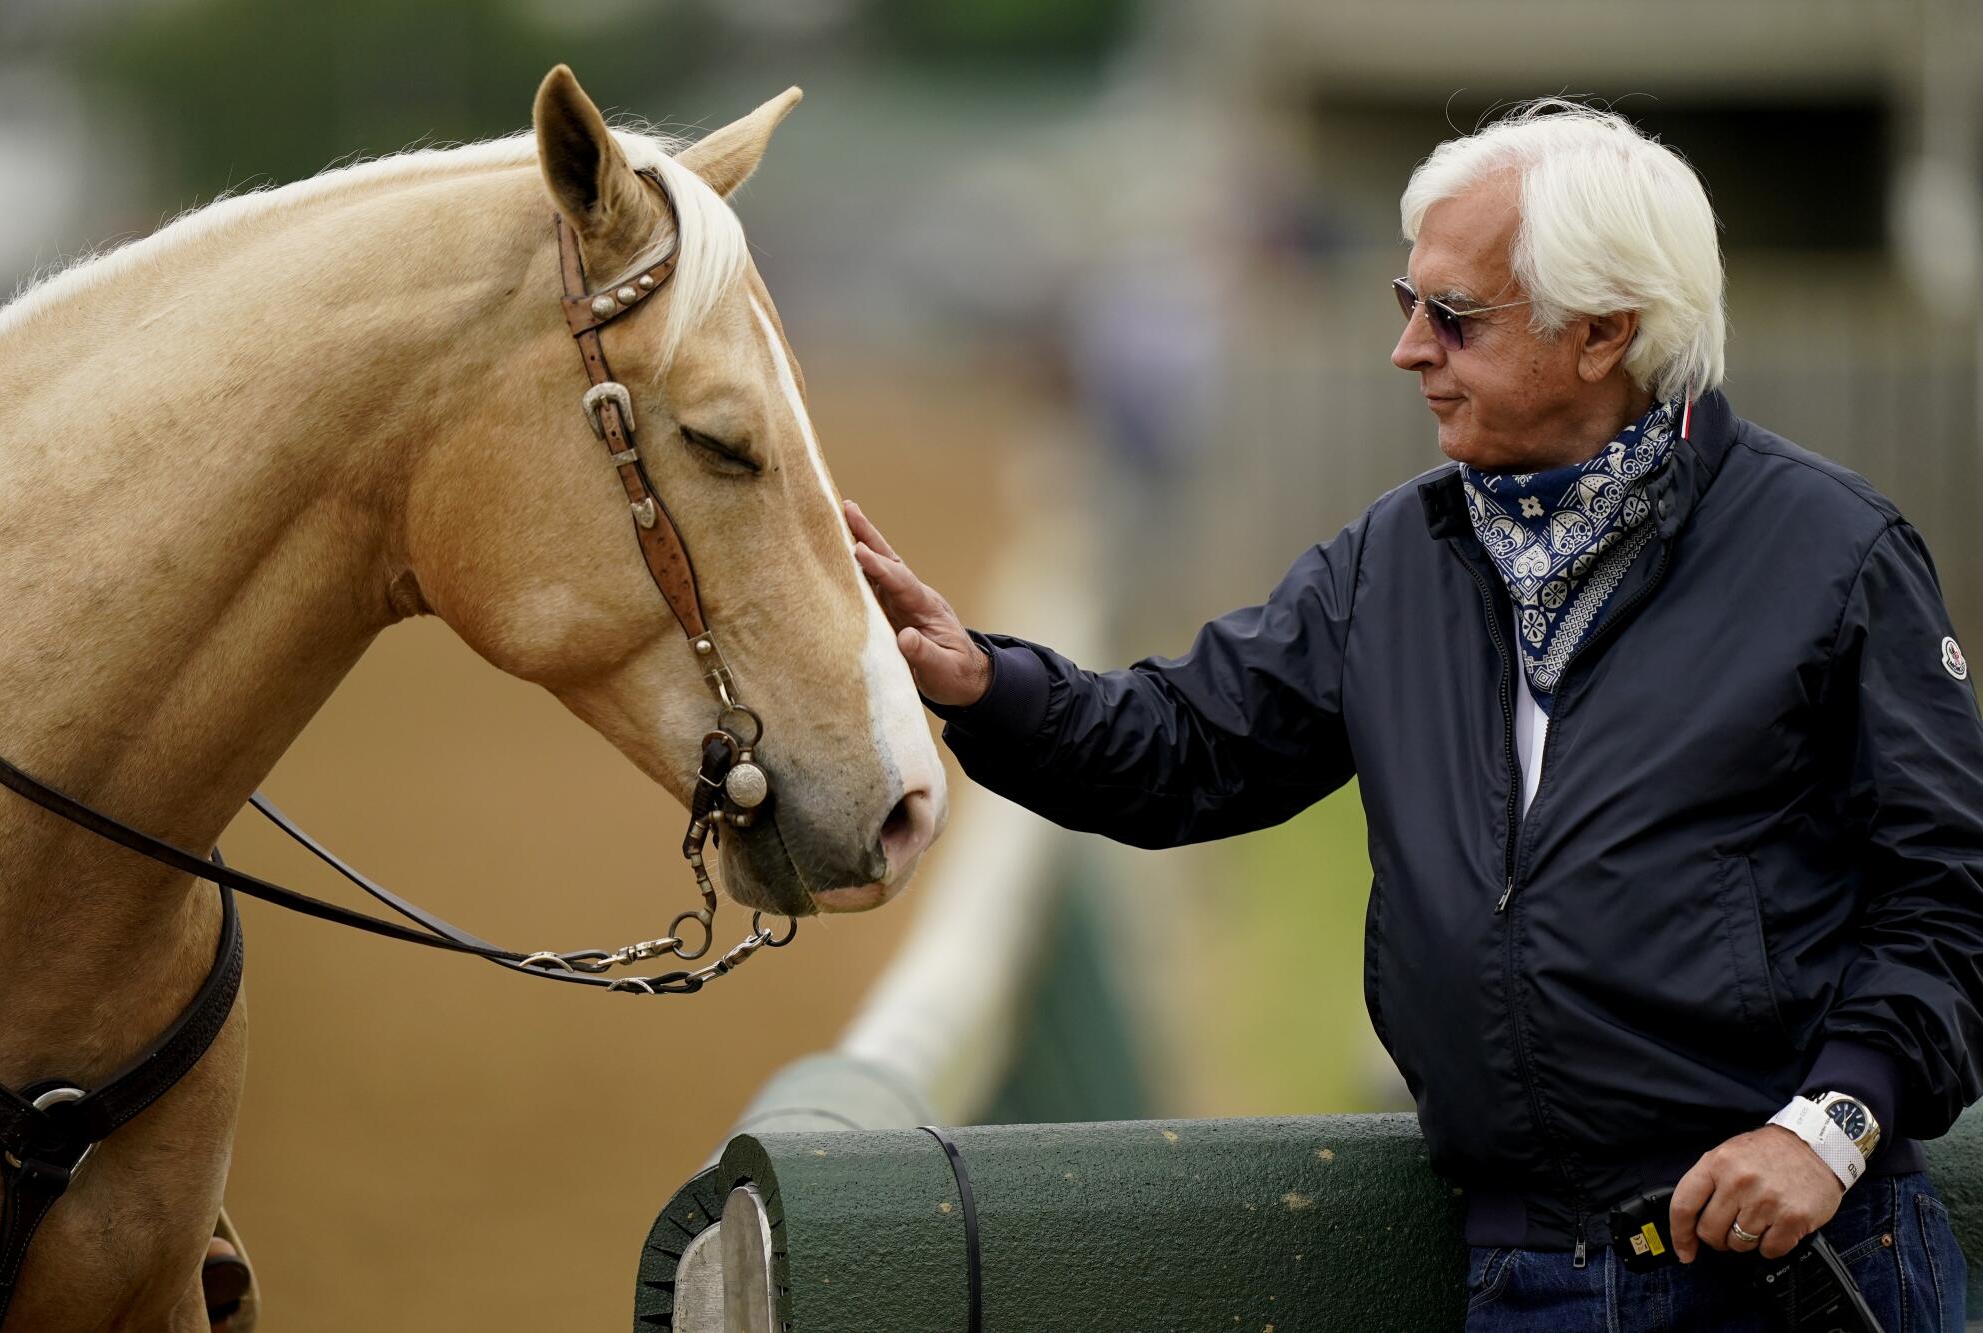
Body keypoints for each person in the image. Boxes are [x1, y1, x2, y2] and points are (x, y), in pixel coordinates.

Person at [845, 101, 1983, 1329]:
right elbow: (1183, 748)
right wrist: (979, 679)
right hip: (1524, 1271)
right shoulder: (1398, 555)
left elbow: (1949, 891)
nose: (1406, 349)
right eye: (1407, 301)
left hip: (1790, 1271)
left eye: (1452, 315)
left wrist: (1829, 1126)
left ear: (1602, 332)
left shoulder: (1831, 550)